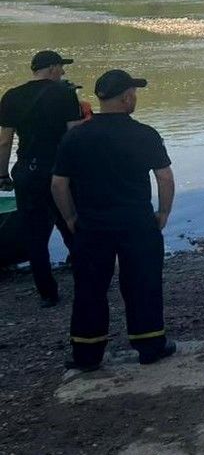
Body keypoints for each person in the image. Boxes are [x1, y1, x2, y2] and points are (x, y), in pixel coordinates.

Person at [51, 70, 177, 371]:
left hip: (92, 224)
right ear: (125, 97)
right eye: (134, 92)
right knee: (142, 283)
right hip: (136, 221)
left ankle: (86, 354)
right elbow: (165, 177)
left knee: (90, 288)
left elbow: (58, 184)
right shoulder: (144, 134)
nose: (135, 97)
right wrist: (163, 212)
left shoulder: (76, 135)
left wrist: (70, 216)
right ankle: (150, 345)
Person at [0, 51, 84, 307]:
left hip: (27, 170)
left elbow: (4, 140)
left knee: (34, 235)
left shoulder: (11, 96)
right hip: (60, 170)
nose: (63, 73)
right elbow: (74, 136)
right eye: (61, 68)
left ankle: (47, 293)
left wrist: (2, 174)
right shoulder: (66, 94)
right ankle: (85, 280)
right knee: (70, 223)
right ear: (51, 68)